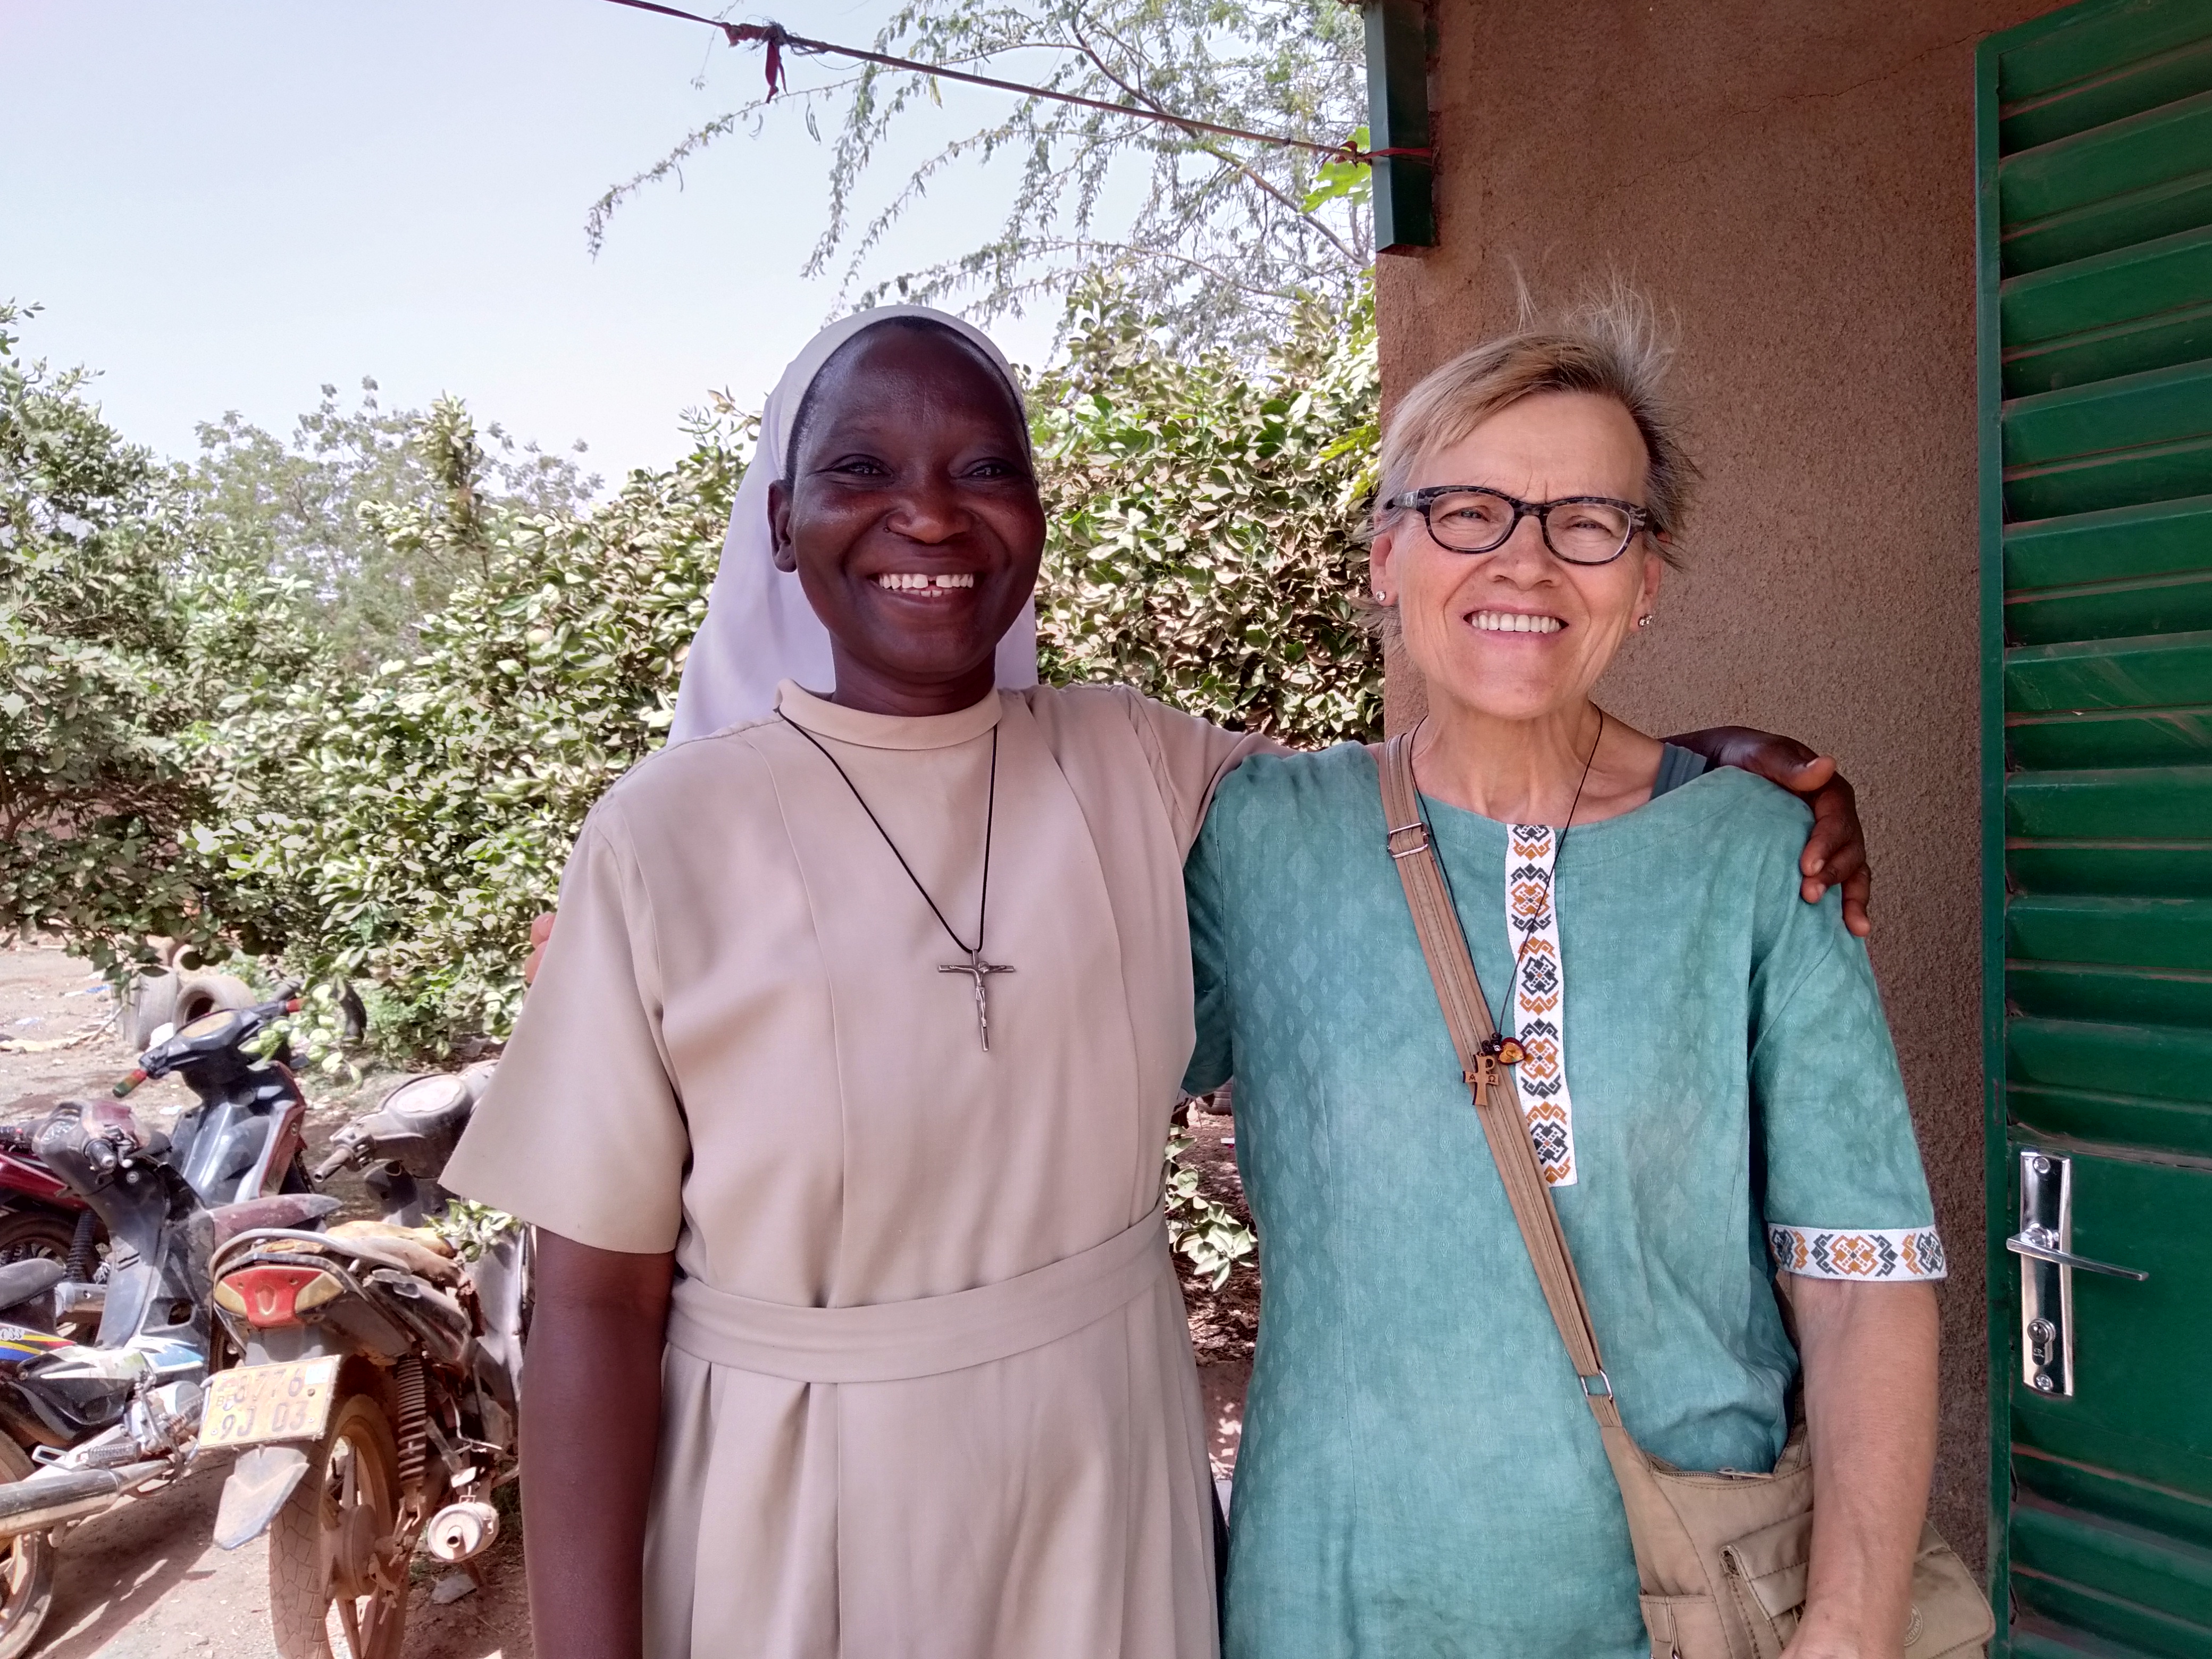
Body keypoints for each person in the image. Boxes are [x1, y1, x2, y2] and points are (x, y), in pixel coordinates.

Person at [447, 305, 1878, 1659]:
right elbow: (592, 1306)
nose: (929, 514)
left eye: (985, 468)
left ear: (1038, 515)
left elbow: (1452, 782)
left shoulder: (1139, 764)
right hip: (788, 1500)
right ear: (781, 519)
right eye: (862, 468)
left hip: (1106, 1491)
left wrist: (1695, 772)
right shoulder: (663, 836)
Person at [1183, 300, 1945, 1658]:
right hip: (1331, 1600)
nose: (1526, 561)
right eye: (1468, 510)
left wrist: (1856, 1623)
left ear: (1643, 583)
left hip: (1680, 1606)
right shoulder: (1257, 839)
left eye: (1589, 521)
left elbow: (1860, 1277)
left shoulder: (1758, 858)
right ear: (1386, 554)